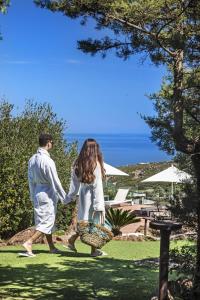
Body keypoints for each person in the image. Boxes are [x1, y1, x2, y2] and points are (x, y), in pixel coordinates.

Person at [21, 133, 66, 257]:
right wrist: (65, 198)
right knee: (47, 222)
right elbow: (55, 181)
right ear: (48, 143)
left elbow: (30, 180)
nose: (52, 144)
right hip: (47, 193)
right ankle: (29, 242)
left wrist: (32, 195)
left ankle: (51, 247)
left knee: (43, 221)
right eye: (52, 142)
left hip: (37, 192)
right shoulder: (48, 161)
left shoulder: (32, 159)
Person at [65, 138, 107, 257]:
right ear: (95, 149)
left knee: (84, 222)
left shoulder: (77, 163)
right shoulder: (96, 164)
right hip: (93, 196)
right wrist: (99, 205)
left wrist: (71, 196)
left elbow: (74, 184)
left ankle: (72, 240)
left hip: (83, 195)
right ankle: (93, 251)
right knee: (93, 223)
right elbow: (97, 185)